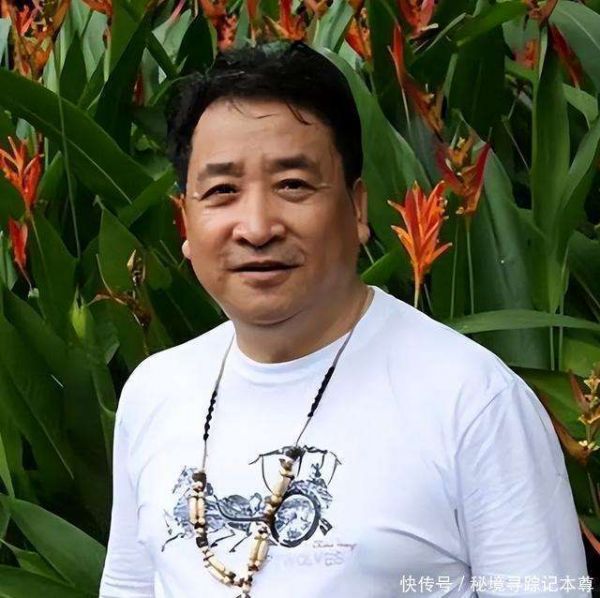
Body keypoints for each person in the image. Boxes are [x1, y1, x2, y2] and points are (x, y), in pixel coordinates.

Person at [99, 41, 590, 598]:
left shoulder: (473, 400)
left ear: (357, 208)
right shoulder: (155, 392)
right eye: (222, 191)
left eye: (293, 185)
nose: (256, 227)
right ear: (185, 223)